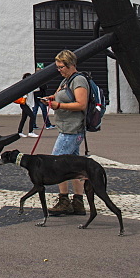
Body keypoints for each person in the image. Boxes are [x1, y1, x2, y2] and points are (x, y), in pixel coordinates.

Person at [42, 50, 90, 217]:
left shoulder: (79, 80)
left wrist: (58, 106)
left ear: (71, 65)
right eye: (57, 67)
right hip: (67, 128)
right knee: (75, 167)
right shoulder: (66, 80)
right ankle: (78, 202)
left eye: (61, 67)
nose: (59, 70)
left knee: (57, 164)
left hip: (72, 130)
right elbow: (59, 96)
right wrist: (51, 99)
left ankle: (64, 201)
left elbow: (81, 104)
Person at [17, 73, 38, 137]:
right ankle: (30, 132)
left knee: (24, 118)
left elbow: (37, 89)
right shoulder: (24, 86)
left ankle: (19, 132)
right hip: (24, 104)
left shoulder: (31, 86)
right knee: (32, 116)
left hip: (28, 104)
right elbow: (24, 95)